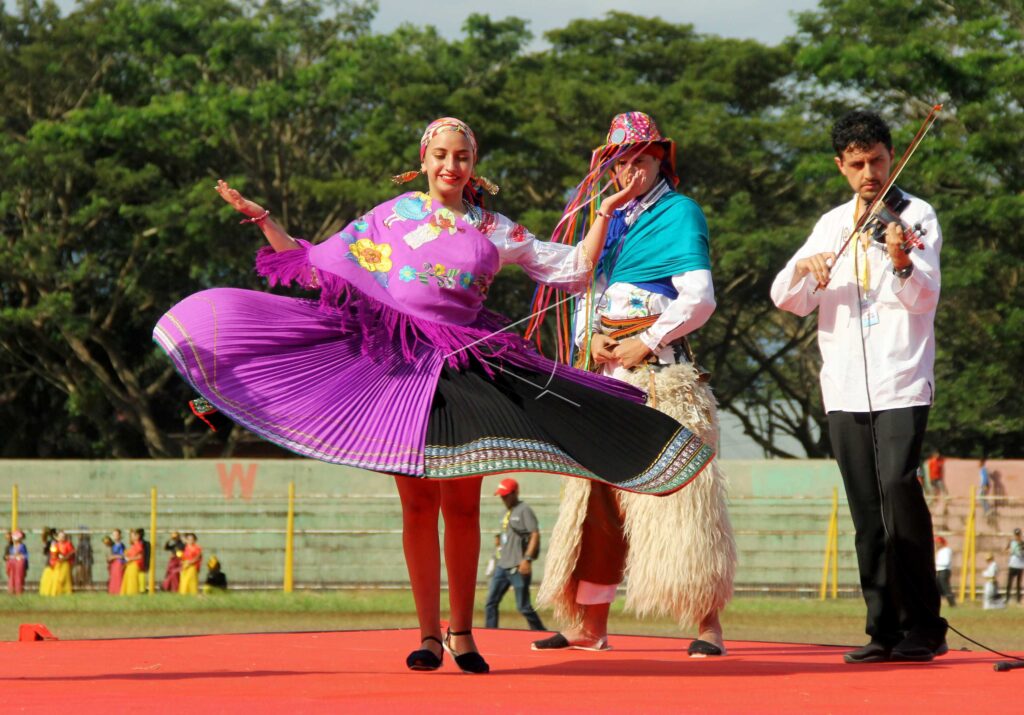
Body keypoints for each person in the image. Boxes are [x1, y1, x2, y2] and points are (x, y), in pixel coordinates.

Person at [153, 117, 715, 674]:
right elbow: (317, 266)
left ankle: (462, 633)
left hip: (464, 369)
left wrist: (607, 212)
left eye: (462, 157)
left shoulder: (494, 228)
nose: (451, 165)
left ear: (474, 166)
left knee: (463, 507)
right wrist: (265, 220)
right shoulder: (391, 217)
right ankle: (427, 634)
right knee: (418, 506)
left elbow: (574, 269)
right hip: (399, 368)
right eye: (441, 155)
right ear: (423, 161)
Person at [535, 111, 735, 657]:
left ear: (660, 160)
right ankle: (591, 624)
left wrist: (645, 341)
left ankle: (706, 623)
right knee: (597, 500)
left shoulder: (679, 213)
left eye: (641, 160)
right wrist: (591, 339)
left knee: (683, 493)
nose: (630, 172)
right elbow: (585, 289)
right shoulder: (607, 221)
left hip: (660, 373)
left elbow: (700, 298)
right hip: (606, 374)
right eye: (620, 163)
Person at [770, 109, 947, 663]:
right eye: (857, 164)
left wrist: (901, 260)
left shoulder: (915, 216)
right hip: (844, 385)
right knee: (866, 510)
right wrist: (807, 269)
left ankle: (926, 627)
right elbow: (787, 299)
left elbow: (925, 297)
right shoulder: (830, 225)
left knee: (898, 488)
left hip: (901, 378)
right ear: (841, 167)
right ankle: (883, 630)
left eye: (877, 160)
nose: (869, 173)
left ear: (892, 157)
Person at [483, 478, 546, 631]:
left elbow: (535, 534)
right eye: (501, 496)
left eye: (506, 495)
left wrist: (527, 559)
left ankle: (540, 632)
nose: (503, 499)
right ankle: (490, 633)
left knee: (523, 606)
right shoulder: (504, 512)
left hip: (518, 566)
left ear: (515, 493)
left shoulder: (524, 510)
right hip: (502, 565)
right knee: (490, 603)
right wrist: (499, 541)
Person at [41, 530, 75, 596]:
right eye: (60, 536)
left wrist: (65, 557)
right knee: (56, 578)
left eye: (63, 536)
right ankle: (57, 592)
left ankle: (65, 591)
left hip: (65, 564)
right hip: (58, 563)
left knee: (62, 578)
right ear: (58, 537)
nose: (62, 538)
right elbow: (53, 554)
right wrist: (53, 561)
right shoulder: (56, 545)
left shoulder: (68, 544)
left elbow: (72, 552)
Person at [120, 529, 145, 596]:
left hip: (134, 564)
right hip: (130, 565)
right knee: (128, 580)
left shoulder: (138, 545)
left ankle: (132, 593)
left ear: (138, 536)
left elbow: (140, 556)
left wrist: (129, 558)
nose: (131, 537)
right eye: (131, 536)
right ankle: (128, 593)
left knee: (132, 580)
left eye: (133, 535)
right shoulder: (133, 545)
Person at [934, 536, 955, 608]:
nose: (936, 545)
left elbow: (946, 562)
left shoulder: (946, 550)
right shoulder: (940, 551)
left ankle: (952, 603)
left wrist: (935, 563)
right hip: (939, 570)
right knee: (937, 587)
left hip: (944, 570)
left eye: (937, 543)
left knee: (945, 587)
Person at [6, 530, 28, 595]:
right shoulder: (11, 547)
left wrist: (20, 557)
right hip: (12, 563)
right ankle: (12, 590)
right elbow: (9, 555)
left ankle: (18, 590)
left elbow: (25, 556)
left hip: (19, 563)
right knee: (12, 577)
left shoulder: (22, 546)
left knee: (18, 577)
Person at [106, 529, 126, 594]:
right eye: (113, 535)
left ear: (119, 536)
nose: (114, 536)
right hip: (113, 564)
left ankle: (119, 591)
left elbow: (122, 556)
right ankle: (113, 591)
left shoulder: (121, 545)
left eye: (116, 535)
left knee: (118, 577)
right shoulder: (113, 545)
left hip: (119, 563)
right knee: (113, 578)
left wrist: (113, 557)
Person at [1006, 527, 1023, 606]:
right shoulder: (1012, 542)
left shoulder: (1022, 543)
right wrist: (1009, 550)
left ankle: (1018, 600)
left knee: (1018, 584)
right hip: (1012, 564)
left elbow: (1021, 553)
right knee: (1009, 582)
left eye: (1018, 535)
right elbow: (1006, 549)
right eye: (1016, 535)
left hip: (1019, 565)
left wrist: (1018, 551)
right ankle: (1007, 598)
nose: (1017, 536)